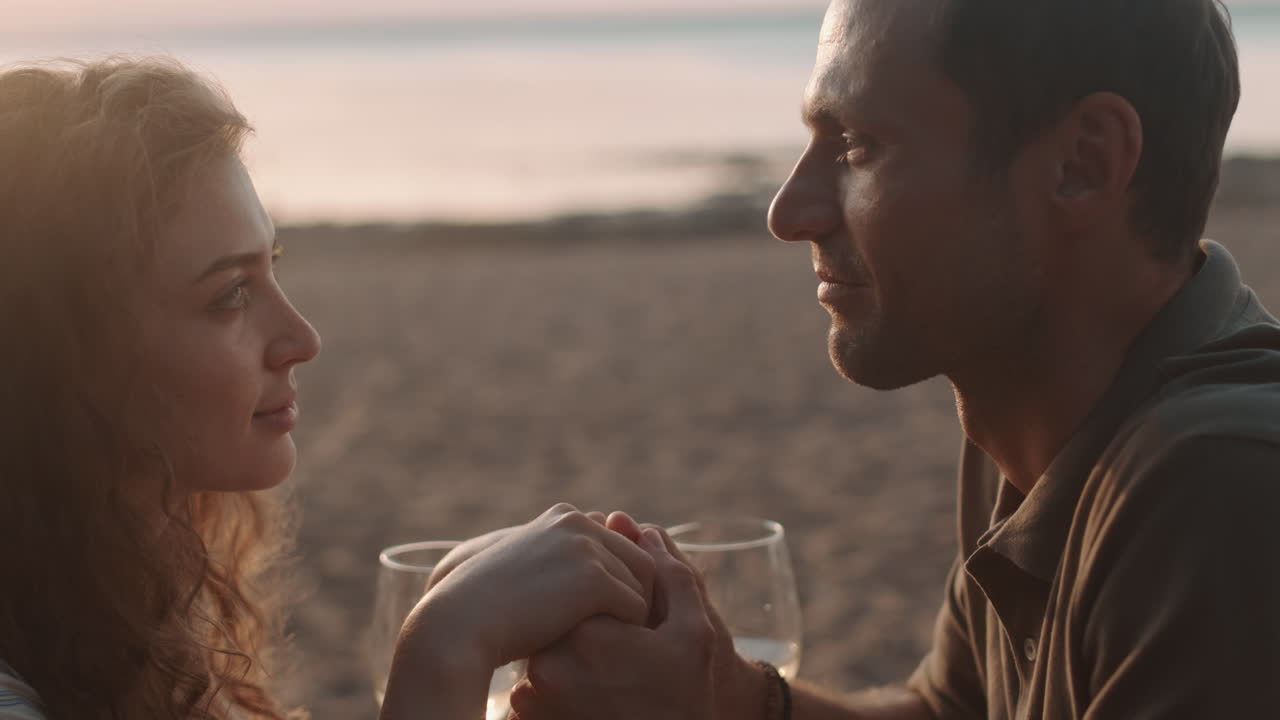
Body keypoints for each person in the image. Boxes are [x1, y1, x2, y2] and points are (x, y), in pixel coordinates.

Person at [486, 0, 1280, 718]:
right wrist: (726, 697)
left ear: (1084, 164)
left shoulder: (1219, 489)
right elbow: (950, 711)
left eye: (858, 145)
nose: (789, 212)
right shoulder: (1040, 410)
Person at [0, 56, 694, 720]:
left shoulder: (120, 601)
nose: (303, 338)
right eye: (232, 294)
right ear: (60, 355)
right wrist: (442, 652)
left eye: (271, 265)